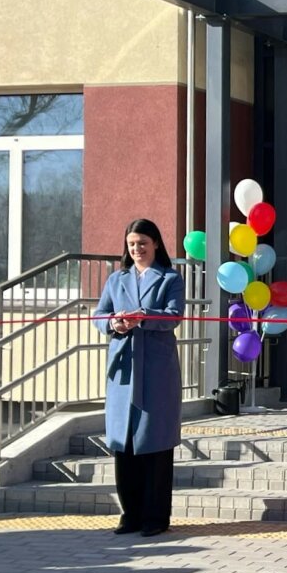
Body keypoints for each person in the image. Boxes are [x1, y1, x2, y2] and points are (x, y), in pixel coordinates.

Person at [93, 218, 185, 538]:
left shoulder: (171, 278)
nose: (137, 249)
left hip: (156, 370)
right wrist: (114, 324)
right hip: (124, 369)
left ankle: (156, 517)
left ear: (156, 243)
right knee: (124, 444)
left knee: (155, 443)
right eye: (132, 244)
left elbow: (174, 316)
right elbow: (99, 315)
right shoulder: (116, 279)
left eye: (143, 243)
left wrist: (143, 318)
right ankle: (130, 514)